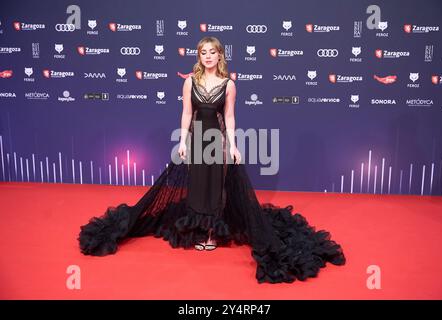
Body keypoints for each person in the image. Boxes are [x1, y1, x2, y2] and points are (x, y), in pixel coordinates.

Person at [78, 36, 345, 284]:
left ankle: (209, 234)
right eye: (203, 53)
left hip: (216, 143)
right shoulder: (189, 82)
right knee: (197, 187)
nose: (207, 57)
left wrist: (234, 145)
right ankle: (197, 230)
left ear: (220, 56)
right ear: (199, 56)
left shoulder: (229, 84)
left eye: (212, 52)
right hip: (196, 141)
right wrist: (182, 141)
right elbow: (186, 114)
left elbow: (228, 117)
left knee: (216, 188)